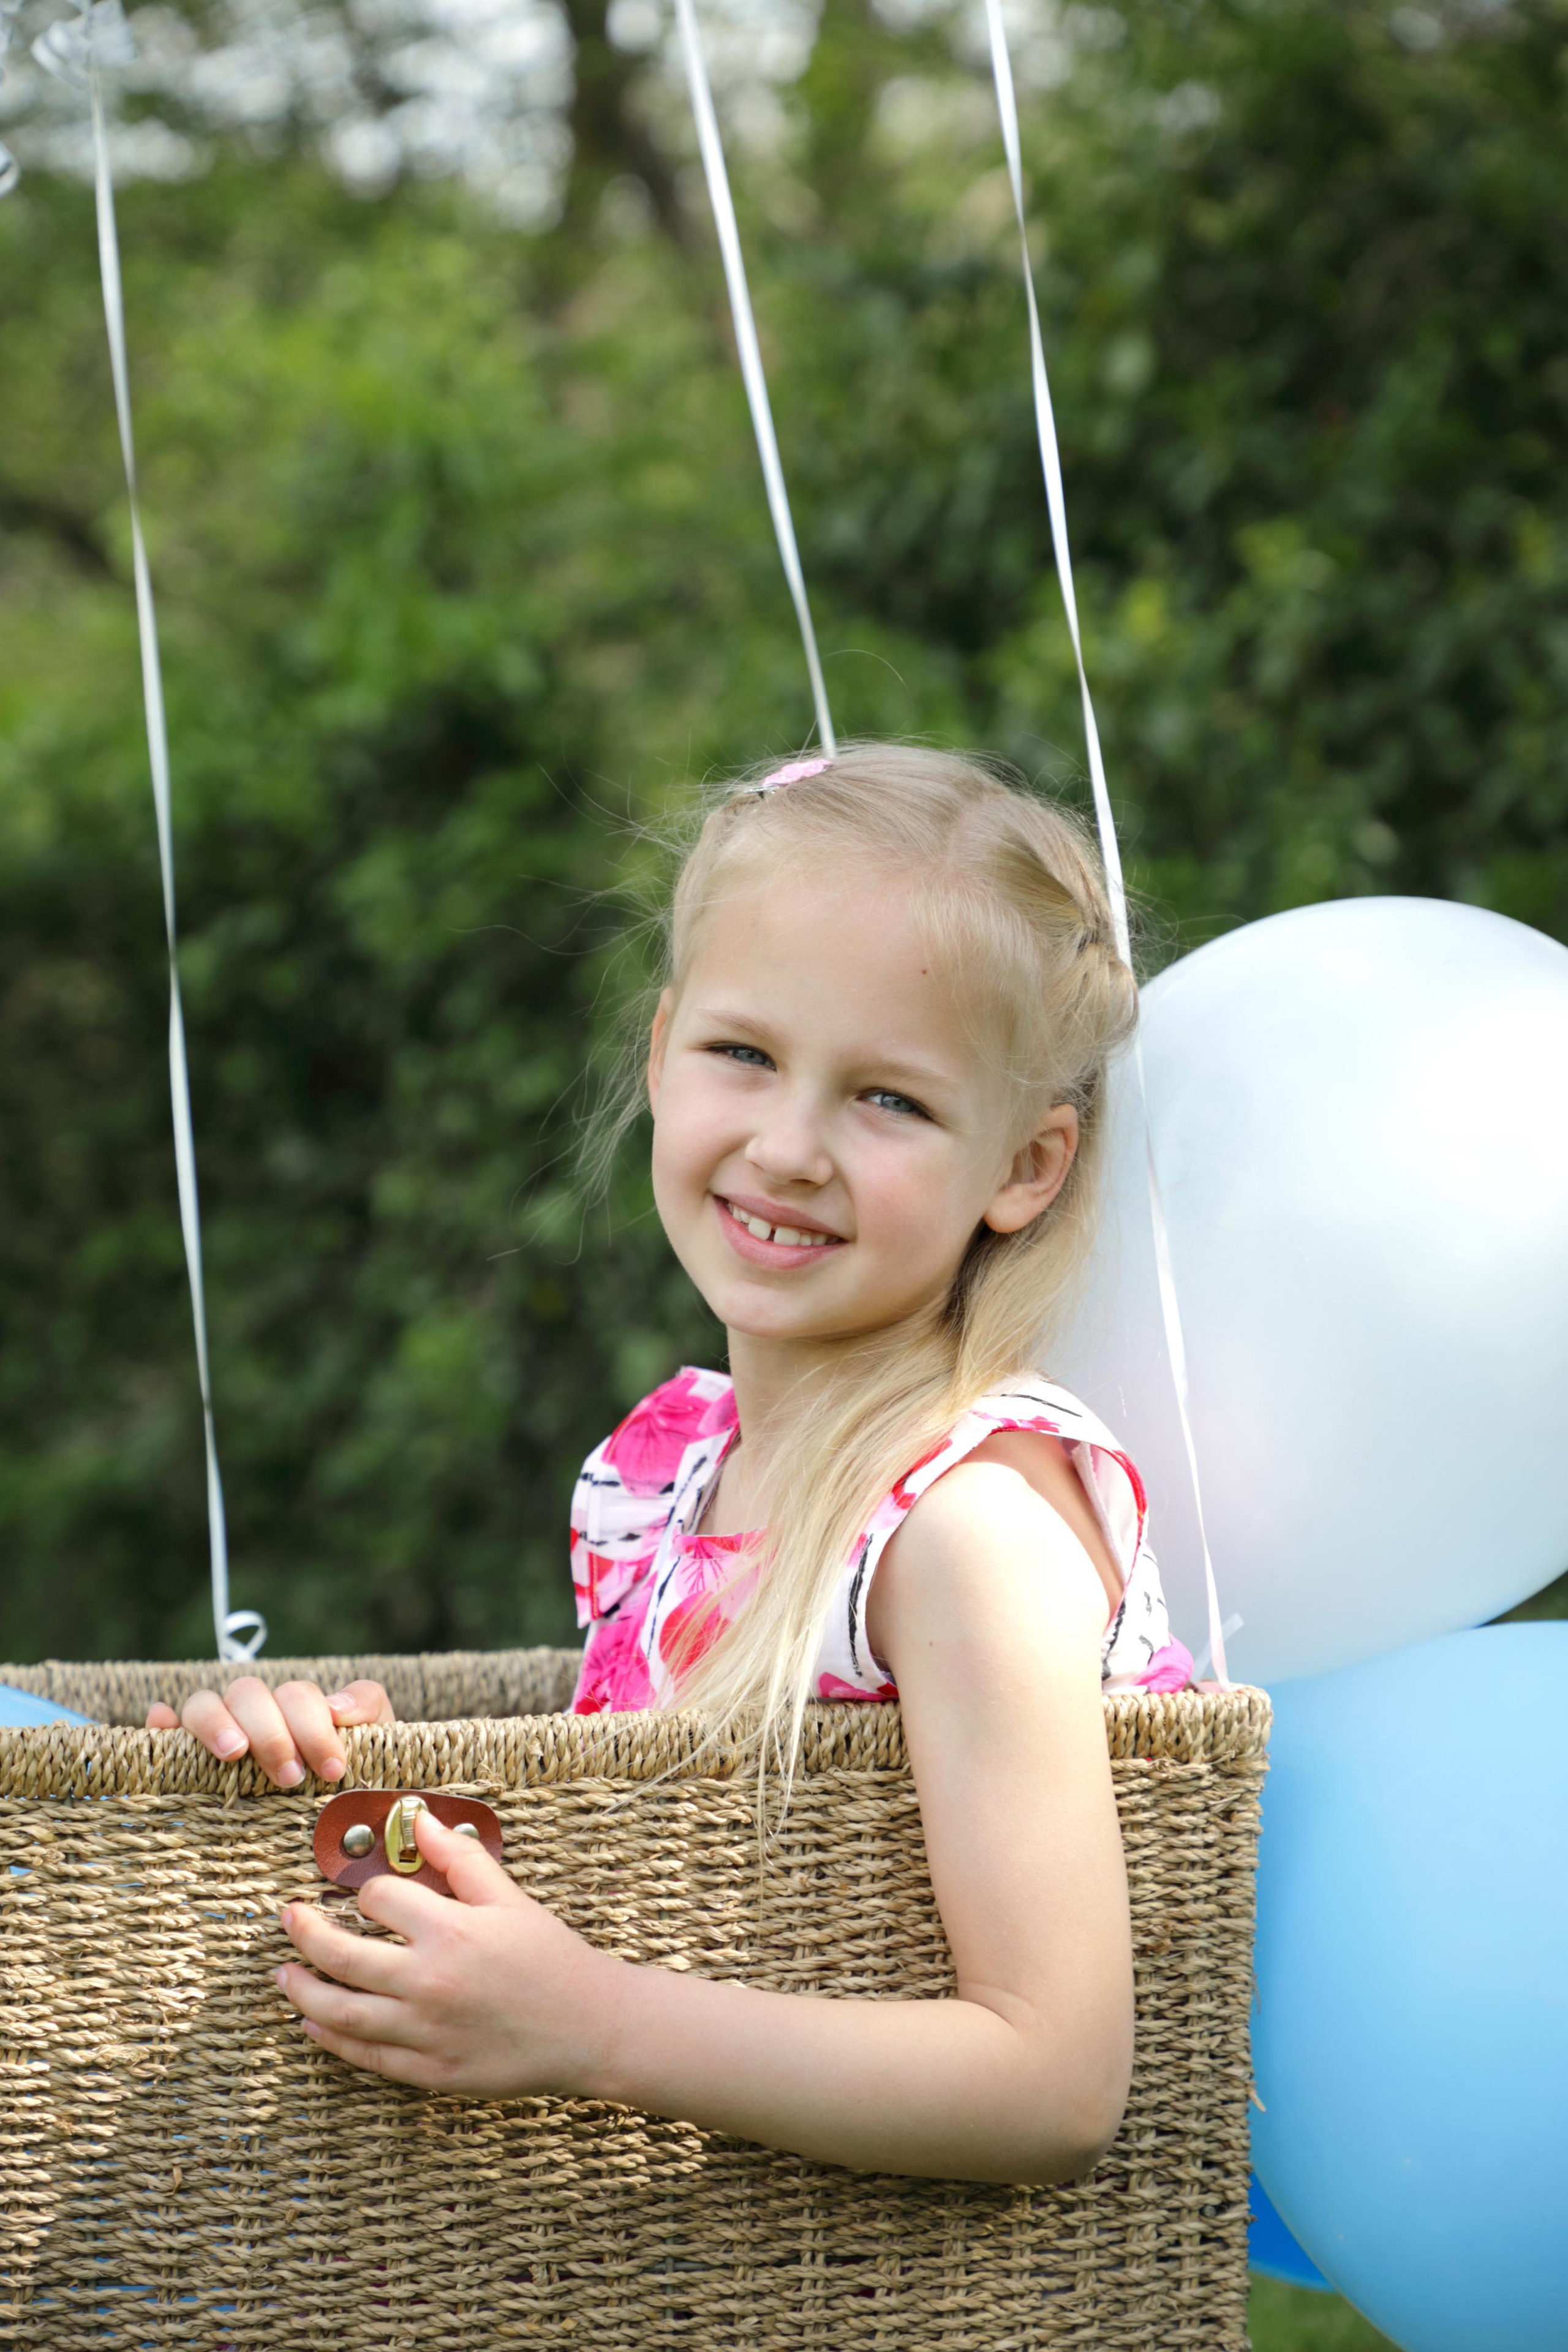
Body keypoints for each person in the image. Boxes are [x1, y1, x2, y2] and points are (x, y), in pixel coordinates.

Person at [149, 743, 1192, 2184]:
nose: (790, 1146)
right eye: (743, 1055)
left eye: (889, 1098)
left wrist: (593, 2027)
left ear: (1024, 1166)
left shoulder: (966, 1529)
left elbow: (1055, 2084)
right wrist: (350, 1771)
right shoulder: (676, 1469)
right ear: (657, 1053)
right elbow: (658, 1871)